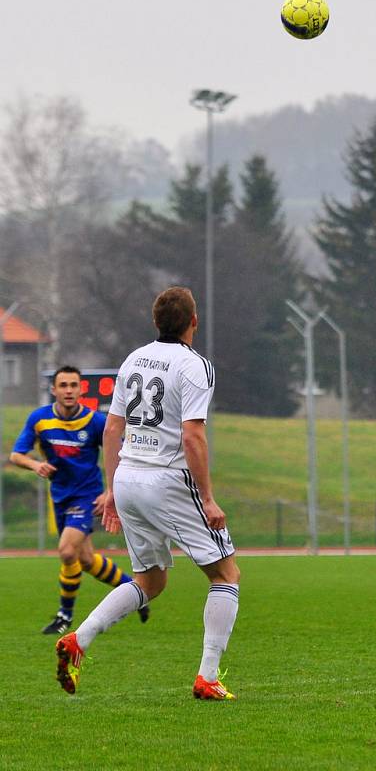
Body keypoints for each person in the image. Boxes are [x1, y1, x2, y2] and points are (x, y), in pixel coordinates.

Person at [55, 286, 241, 700]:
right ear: (194, 321)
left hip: (129, 479)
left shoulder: (133, 359)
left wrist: (110, 489)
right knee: (226, 574)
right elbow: (193, 436)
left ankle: (77, 640)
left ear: (155, 322)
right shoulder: (195, 366)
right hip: (167, 480)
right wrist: (207, 498)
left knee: (150, 580)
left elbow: (112, 429)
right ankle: (207, 677)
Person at [10, 365, 149, 634]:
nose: (69, 390)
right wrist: (34, 465)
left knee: (66, 551)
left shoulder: (95, 421)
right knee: (85, 559)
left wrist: (109, 492)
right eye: (63, 385)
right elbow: (17, 455)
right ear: (54, 390)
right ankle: (136, 591)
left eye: (74, 385)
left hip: (86, 497)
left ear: (81, 389)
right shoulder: (39, 420)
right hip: (60, 496)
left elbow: (120, 453)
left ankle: (64, 617)